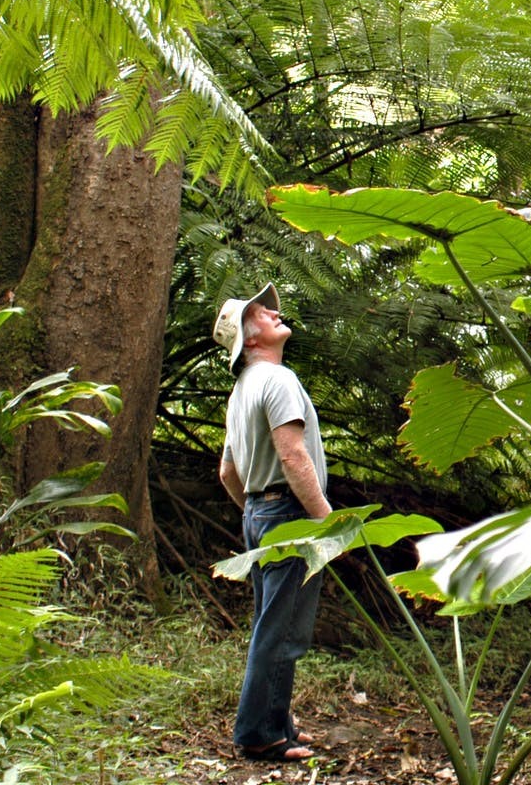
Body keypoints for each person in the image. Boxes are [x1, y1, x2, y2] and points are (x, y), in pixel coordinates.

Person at [213, 282, 332, 763]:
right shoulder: (278, 381)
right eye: (260, 314)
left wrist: (255, 508)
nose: (271, 312)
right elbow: (293, 455)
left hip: (259, 514)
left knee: (275, 624)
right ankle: (258, 734)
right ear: (252, 341)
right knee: (281, 630)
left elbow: (227, 471)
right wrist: (328, 522)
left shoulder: (242, 389)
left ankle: (277, 722)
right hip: (288, 515)